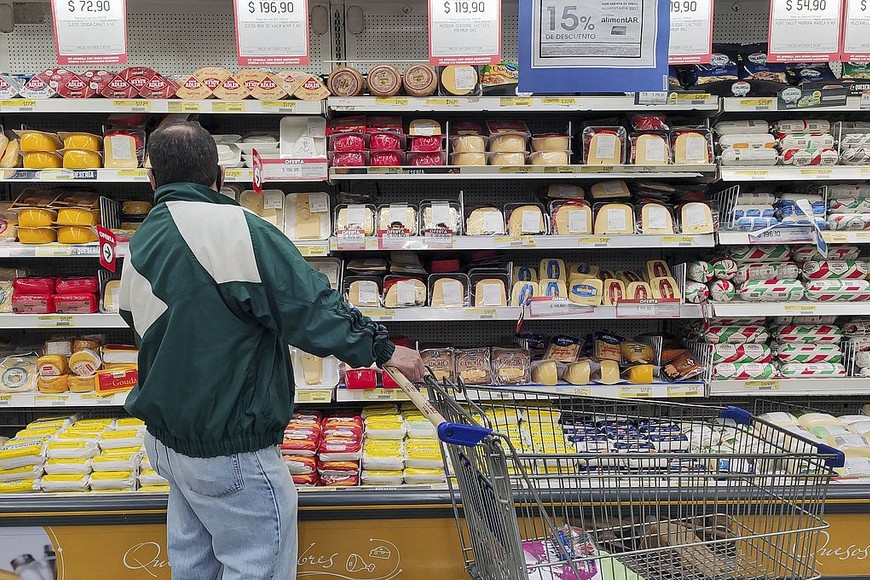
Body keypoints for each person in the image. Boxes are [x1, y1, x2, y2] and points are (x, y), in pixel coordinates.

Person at [118, 121, 424, 580]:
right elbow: (306, 305)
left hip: (170, 442)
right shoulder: (236, 228)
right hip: (229, 444)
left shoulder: (142, 241)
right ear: (219, 176)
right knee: (255, 567)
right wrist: (381, 348)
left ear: (151, 179)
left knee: (194, 565)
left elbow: (133, 317)